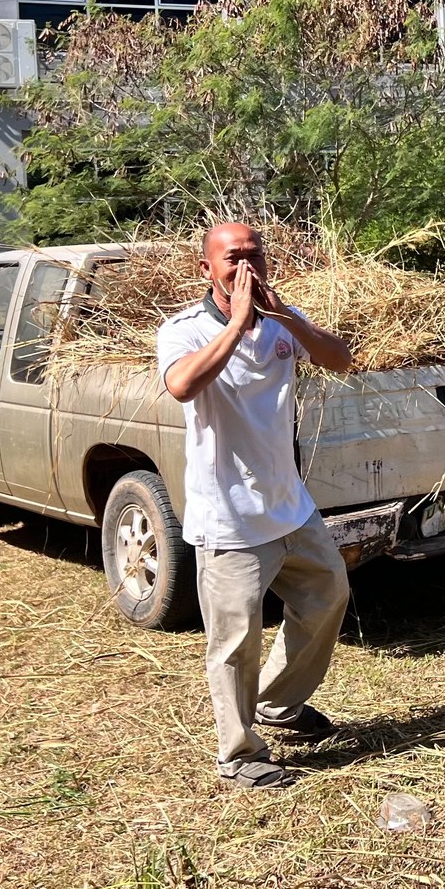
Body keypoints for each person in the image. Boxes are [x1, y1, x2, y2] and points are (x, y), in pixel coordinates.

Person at [157, 222, 355, 789]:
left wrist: (284, 316)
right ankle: (239, 754)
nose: (245, 267)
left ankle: (278, 703)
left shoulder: (282, 322)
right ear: (207, 269)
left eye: (254, 255)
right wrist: (236, 325)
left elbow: (340, 358)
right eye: (232, 258)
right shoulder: (184, 330)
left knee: (328, 595)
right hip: (229, 518)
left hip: (290, 506)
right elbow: (182, 385)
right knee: (235, 641)